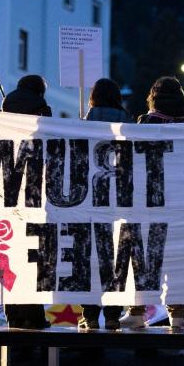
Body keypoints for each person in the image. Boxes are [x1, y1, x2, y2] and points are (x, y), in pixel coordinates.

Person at [122, 77, 184, 330]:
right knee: (179, 259)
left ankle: (137, 311)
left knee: (142, 258)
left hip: (148, 201)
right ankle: (178, 315)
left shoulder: (144, 125)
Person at [0, 75, 52, 334]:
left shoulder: (5, 105)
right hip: (35, 191)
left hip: (8, 192)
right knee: (33, 259)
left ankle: (14, 316)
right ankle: (34, 317)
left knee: (12, 255)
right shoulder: (42, 109)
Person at [78, 77, 127, 330]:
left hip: (89, 204)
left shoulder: (81, 126)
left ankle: (89, 315)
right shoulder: (131, 125)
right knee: (115, 259)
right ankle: (112, 315)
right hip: (121, 205)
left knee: (89, 259)